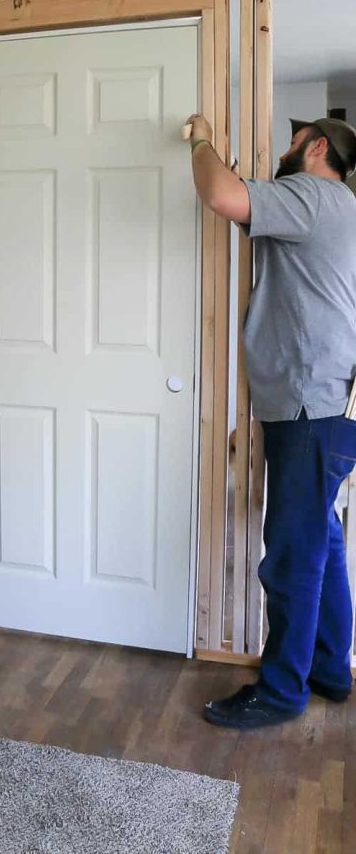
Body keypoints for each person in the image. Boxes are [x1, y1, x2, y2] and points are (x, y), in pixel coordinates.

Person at [187, 113, 356, 729]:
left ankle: (283, 691)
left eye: (290, 142)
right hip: (328, 407)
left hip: (309, 406)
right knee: (321, 543)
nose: (282, 153)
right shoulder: (342, 209)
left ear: (316, 148)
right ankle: (332, 669)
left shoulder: (313, 195)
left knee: (290, 556)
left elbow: (221, 194)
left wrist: (201, 140)